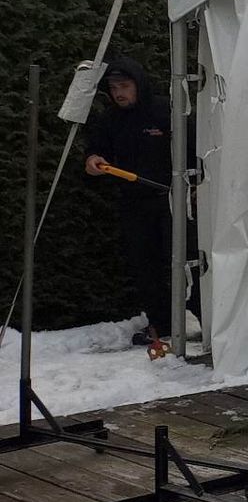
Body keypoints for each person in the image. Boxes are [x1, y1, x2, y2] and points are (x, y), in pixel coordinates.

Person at [83, 55, 187, 349]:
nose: (119, 93)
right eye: (114, 87)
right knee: (145, 266)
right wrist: (93, 160)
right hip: (134, 201)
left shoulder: (166, 110)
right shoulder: (110, 119)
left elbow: (193, 145)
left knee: (182, 261)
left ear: (139, 84)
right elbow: (96, 150)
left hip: (172, 199)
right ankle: (161, 323)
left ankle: (206, 320)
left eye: (125, 86)